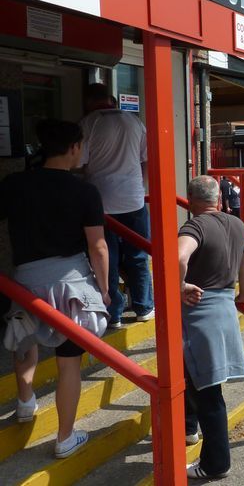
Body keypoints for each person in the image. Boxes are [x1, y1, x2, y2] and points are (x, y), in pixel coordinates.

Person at [1, 119, 110, 458]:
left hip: (24, 278)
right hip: (70, 283)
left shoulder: (14, 184)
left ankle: (24, 402)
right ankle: (64, 438)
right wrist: (105, 289)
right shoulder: (85, 191)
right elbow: (98, 247)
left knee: (24, 337)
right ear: (75, 147)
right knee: (69, 361)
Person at [177, 176, 244, 480]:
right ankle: (188, 429)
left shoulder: (194, 226)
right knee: (193, 377)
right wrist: (243, 298)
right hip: (225, 310)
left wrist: (179, 284)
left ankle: (216, 463)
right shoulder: (238, 225)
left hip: (199, 313)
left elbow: (179, 255)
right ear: (218, 199)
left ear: (191, 201)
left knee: (207, 391)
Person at [80, 86, 153, 328]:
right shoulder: (134, 121)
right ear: (111, 100)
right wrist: (141, 187)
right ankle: (143, 307)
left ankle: (114, 312)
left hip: (102, 201)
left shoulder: (88, 123)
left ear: (90, 102)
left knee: (105, 257)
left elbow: (80, 160)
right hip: (133, 198)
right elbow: (147, 158)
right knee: (139, 254)